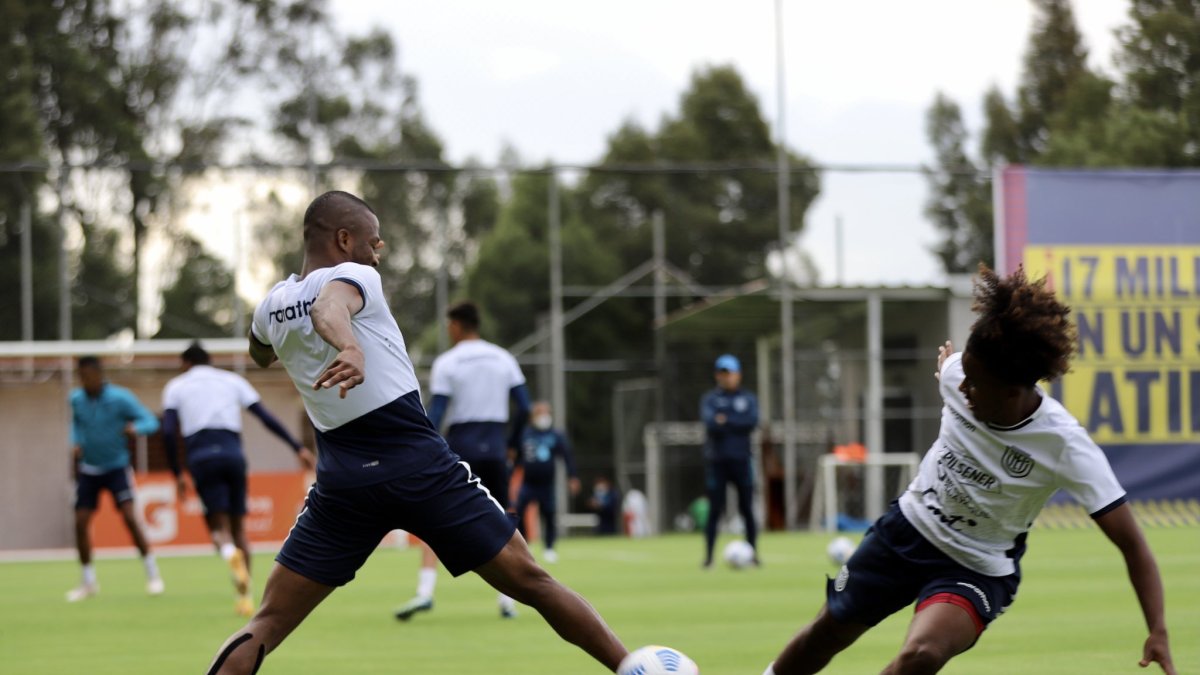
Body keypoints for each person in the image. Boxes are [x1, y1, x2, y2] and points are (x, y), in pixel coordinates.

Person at [205, 190, 627, 674]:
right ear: (344, 240)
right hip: (417, 466)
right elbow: (328, 307)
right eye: (372, 239)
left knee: (268, 620)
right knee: (534, 582)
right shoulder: (356, 276)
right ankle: (633, 667)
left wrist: (290, 337)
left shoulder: (272, 304)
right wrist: (350, 347)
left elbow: (260, 351)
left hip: (343, 484)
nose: (378, 249)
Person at [762, 265, 1176, 675]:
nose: (962, 389)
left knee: (920, 654)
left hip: (976, 566)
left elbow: (1133, 545)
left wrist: (1157, 629)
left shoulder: (1065, 444)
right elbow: (955, 370)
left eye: (975, 384)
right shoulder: (962, 374)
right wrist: (954, 369)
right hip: (905, 532)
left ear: (1013, 390)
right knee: (827, 631)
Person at [394, 300, 531, 621]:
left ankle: (425, 592)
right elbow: (524, 407)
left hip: (461, 447)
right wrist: (512, 444)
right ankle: (509, 599)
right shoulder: (503, 357)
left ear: (456, 325)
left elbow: (437, 412)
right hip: (496, 447)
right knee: (504, 520)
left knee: (433, 518)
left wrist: (422, 448)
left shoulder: (448, 362)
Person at [161, 342, 316, 616]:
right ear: (209, 361)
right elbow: (265, 417)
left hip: (201, 455)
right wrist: (297, 447)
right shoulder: (233, 380)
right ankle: (245, 597)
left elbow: (168, 431)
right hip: (232, 452)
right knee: (239, 526)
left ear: (186, 363)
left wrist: (177, 472)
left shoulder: (177, 386)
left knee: (218, 528)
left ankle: (228, 553)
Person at [66, 355, 164, 601]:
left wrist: (136, 429)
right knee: (80, 521)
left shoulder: (121, 398)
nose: (86, 381)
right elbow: (76, 424)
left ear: (99, 375)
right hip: (89, 469)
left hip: (117, 468)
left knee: (130, 518)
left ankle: (153, 575)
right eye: (82, 377)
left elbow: (150, 421)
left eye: (89, 376)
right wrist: (75, 441)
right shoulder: (76, 399)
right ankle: (88, 581)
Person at [700, 353, 760, 568]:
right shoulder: (710, 399)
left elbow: (751, 422)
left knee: (747, 509)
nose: (727, 377)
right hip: (717, 462)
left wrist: (726, 420)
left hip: (742, 461)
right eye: (723, 373)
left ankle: (753, 555)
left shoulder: (748, 398)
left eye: (730, 373)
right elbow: (711, 424)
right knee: (714, 510)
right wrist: (732, 422)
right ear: (718, 376)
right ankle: (708, 558)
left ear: (738, 375)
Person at [513, 401, 580, 563]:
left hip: (547, 485)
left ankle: (549, 547)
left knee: (549, 515)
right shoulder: (525, 433)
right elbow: (517, 458)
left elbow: (567, 456)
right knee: (519, 513)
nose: (543, 417)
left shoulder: (556, 435)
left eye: (546, 413)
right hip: (528, 483)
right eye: (540, 413)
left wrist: (573, 476)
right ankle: (524, 545)